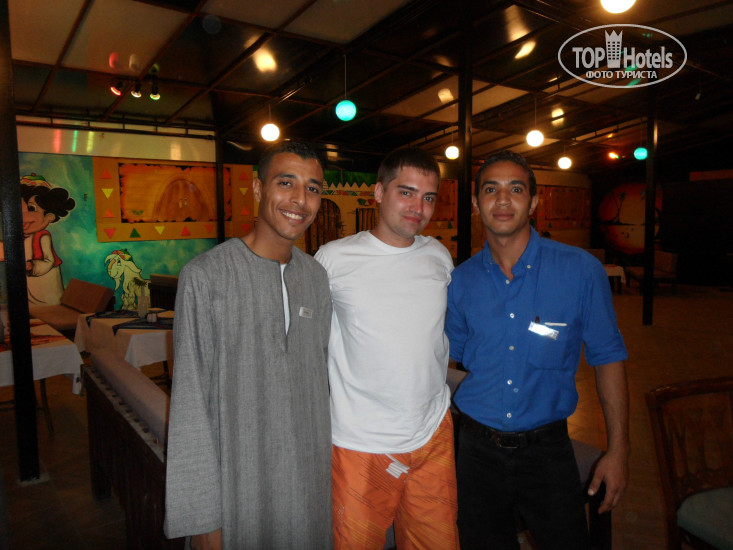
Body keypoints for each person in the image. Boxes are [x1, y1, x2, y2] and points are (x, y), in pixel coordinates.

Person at [445, 150, 629, 550]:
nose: (503, 199)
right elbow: (452, 357)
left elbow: (608, 357)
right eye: (490, 189)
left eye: (516, 189)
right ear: (476, 203)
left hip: (548, 452)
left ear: (534, 202)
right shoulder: (460, 282)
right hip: (476, 454)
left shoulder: (580, 270)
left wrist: (618, 450)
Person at [164, 141, 333, 550]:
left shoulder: (315, 277)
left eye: (312, 188)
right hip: (239, 486)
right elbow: (189, 402)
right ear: (258, 189)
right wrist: (202, 518)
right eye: (286, 183)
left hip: (308, 486)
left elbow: (320, 385)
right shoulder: (207, 276)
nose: (300, 199)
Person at [315, 147, 459, 549]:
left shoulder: (438, 255)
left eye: (428, 197)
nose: (418, 207)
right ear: (379, 192)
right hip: (361, 441)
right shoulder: (334, 258)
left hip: (432, 433)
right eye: (406, 192)